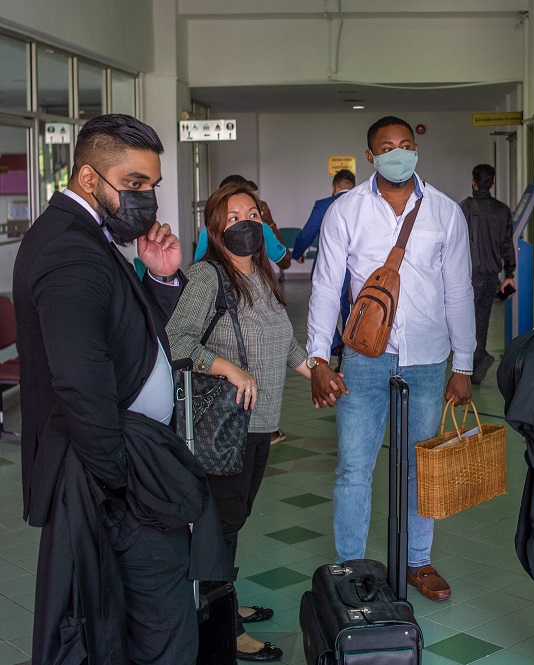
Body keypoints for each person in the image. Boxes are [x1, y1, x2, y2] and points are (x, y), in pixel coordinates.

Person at [13, 113, 231, 664]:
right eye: (134, 184)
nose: (147, 198)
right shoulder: (70, 249)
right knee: (160, 630)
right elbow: (80, 383)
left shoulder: (92, 237)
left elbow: (126, 340)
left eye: (152, 185)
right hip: (117, 483)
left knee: (135, 623)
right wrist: (123, 482)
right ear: (90, 179)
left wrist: (157, 280)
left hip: (124, 469)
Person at [307, 115, 475, 602]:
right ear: (371, 156)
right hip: (364, 357)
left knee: (423, 466)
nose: (398, 153)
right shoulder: (346, 211)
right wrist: (320, 357)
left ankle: (417, 562)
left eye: (405, 144)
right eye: (387, 147)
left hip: (427, 360)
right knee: (353, 467)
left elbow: (459, 292)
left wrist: (462, 366)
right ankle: (351, 568)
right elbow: (324, 286)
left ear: (416, 148)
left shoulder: (444, 212)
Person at [167, 181, 311, 662]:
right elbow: (177, 340)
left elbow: (283, 340)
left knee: (234, 520)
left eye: (252, 213)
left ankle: (223, 601)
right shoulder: (207, 277)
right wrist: (227, 367)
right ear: (216, 227)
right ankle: (222, 627)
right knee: (220, 529)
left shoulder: (264, 275)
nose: (244, 222)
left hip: (258, 424)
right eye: (232, 217)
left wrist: (316, 369)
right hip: (223, 428)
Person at [459, 164, 516, 384]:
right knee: (481, 322)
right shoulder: (503, 210)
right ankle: (475, 368)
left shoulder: (465, 207)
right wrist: (509, 274)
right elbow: (507, 245)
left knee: (465, 322)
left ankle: (478, 358)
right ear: (492, 184)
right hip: (492, 276)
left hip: (469, 276)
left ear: (473, 182)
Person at [294, 169, 357, 367]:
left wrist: (297, 254)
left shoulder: (323, 205)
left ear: (333, 187)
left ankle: (336, 343)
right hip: (357, 270)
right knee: (352, 311)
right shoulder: (363, 204)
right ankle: (348, 353)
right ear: (353, 185)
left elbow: (307, 234)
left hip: (327, 268)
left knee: (322, 305)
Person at [194, 175, 293, 271]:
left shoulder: (207, 231)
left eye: (253, 214)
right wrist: (270, 222)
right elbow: (285, 262)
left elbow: (285, 261)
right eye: (234, 218)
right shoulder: (262, 228)